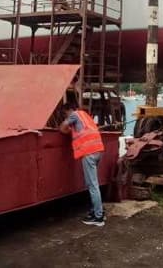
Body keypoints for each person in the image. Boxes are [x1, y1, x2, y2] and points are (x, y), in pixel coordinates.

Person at [59, 96, 105, 227]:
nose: (65, 115)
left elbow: (62, 128)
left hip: (88, 152)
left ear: (69, 110)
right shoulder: (85, 115)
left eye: (64, 113)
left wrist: (68, 129)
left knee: (92, 185)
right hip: (98, 150)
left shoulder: (74, 115)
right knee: (92, 183)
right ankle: (96, 211)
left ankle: (98, 217)